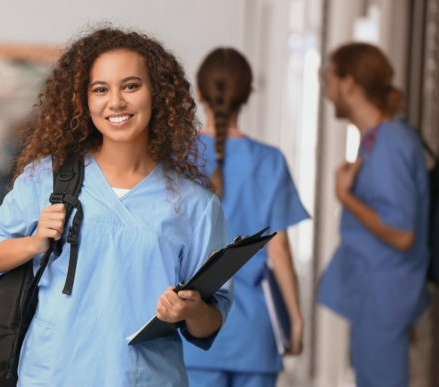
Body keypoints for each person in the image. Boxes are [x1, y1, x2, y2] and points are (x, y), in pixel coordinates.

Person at [0, 27, 233, 386]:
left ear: (158, 94)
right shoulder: (48, 179)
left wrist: (192, 309)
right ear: (83, 100)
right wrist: (34, 244)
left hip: (142, 377)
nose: (116, 102)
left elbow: (212, 317)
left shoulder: (195, 205)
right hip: (53, 373)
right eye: (100, 89)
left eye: (131, 86)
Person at [183, 48, 308, 387]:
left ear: (200, 91)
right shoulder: (271, 161)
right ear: (249, 94)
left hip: (193, 336)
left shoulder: (180, 156)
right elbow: (278, 251)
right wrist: (295, 321)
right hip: (256, 336)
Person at [317, 42, 431, 387]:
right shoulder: (375, 139)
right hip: (375, 296)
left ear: (349, 84)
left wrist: (344, 197)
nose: (326, 89)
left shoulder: (391, 142)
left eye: (330, 78)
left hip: (387, 298)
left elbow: (402, 233)